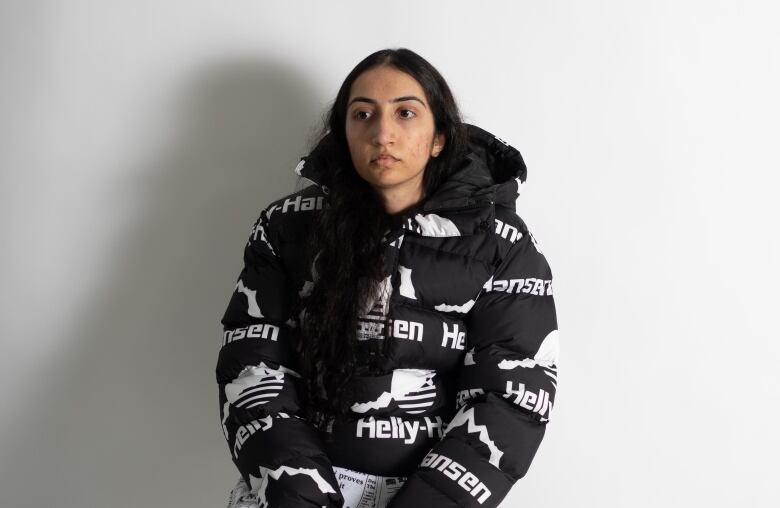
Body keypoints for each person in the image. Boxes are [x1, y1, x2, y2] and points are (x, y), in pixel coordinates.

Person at [216, 48, 559, 508]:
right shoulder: (287, 227)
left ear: (439, 135)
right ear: (344, 133)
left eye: (405, 113)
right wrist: (302, 497)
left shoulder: (499, 241)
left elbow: (511, 397)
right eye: (363, 115)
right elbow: (254, 369)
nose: (382, 134)